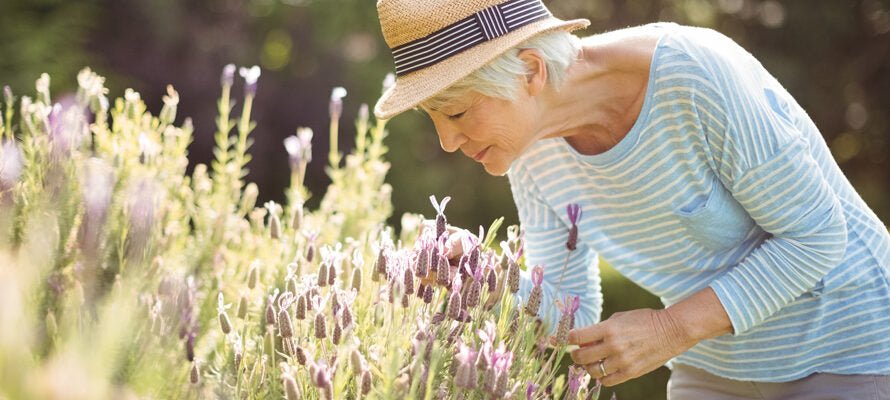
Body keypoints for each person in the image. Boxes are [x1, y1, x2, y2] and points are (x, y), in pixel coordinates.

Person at [373, 0, 890, 398]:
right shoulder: (531, 154)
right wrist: (487, 278)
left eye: (458, 113)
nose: (446, 142)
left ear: (531, 71)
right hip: (713, 369)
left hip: (848, 350)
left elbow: (817, 236)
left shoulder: (693, 75)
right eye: (434, 119)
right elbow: (573, 318)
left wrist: (670, 328)